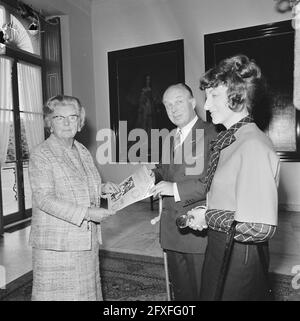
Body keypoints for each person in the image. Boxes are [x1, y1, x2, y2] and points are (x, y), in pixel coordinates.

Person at [187, 55, 280, 300]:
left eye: (214, 96)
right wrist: (208, 213)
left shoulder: (252, 145)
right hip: (223, 247)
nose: (206, 106)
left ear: (238, 97)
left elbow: (258, 227)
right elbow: (233, 201)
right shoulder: (233, 140)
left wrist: (208, 216)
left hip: (238, 257)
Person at [28, 95, 120, 301]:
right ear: (49, 123)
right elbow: (44, 199)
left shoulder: (81, 150)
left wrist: (103, 188)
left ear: (80, 122)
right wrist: (88, 213)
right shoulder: (41, 154)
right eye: (59, 117)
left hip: (85, 240)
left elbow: (83, 183)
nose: (67, 122)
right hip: (58, 245)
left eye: (73, 117)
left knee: (85, 293)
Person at [150, 83, 217, 300]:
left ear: (192, 102)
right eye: (168, 105)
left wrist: (174, 189)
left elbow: (215, 181)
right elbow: (165, 171)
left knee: (202, 292)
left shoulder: (212, 133)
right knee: (181, 294)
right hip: (171, 231)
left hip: (197, 232)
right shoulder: (170, 136)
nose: (173, 109)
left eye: (178, 101)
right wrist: (148, 177)